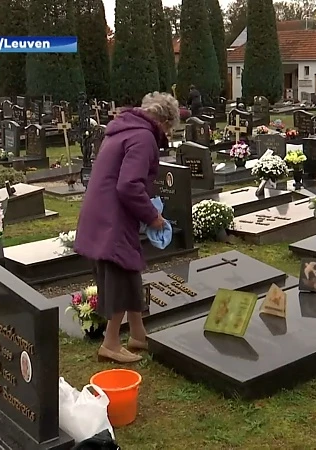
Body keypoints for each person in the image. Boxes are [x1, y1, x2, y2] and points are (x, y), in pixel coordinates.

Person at [74, 92, 179, 363]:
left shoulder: (121, 130)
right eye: (170, 128)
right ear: (164, 121)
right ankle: (110, 343)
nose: (167, 133)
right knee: (121, 276)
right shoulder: (143, 137)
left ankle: (137, 334)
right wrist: (153, 215)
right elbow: (129, 185)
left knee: (129, 272)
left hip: (100, 213)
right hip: (113, 217)